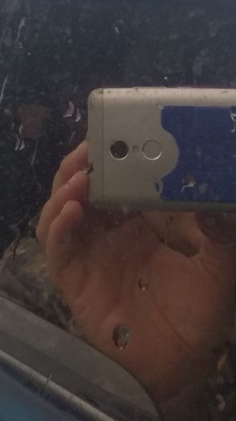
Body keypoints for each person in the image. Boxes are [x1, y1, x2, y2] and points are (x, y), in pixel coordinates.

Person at [35, 140, 236, 420]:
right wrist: (160, 398)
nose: (193, 169)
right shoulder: (29, 287)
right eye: (172, 138)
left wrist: (178, 395)